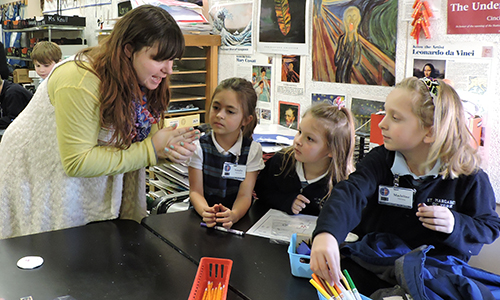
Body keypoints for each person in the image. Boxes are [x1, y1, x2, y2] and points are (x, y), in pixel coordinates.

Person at [0, 5, 200, 239]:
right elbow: (77, 162)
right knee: (52, 246)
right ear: (128, 50)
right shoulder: (80, 79)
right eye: (159, 59)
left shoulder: (145, 81)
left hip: (82, 170)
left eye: (172, 60)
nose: (168, 70)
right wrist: (151, 150)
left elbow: (146, 143)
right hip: (37, 169)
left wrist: (168, 151)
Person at [310, 77, 500, 297]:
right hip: (375, 266)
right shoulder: (381, 160)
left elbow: (488, 225)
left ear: (429, 132)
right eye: (385, 113)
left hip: (430, 277)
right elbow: (351, 192)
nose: (382, 123)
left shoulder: (468, 176)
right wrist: (327, 234)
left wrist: (455, 224)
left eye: (395, 117)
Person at [188, 77, 265, 229]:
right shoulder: (198, 146)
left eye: (230, 111)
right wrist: (206, 212)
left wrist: (234, 214)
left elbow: (245, 195)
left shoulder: (252, 150)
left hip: (237, 220)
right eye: (216, 107)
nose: (220, 115)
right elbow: (195, 192)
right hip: (201, 217)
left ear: (246, 120)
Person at [255, 103, 355, 216]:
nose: (298, 140)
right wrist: (286, 202)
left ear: (332, 150)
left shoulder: (341, 182)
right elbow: (261, 191)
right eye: (300, 132)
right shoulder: (281, 161)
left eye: (309, 139)